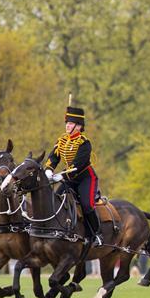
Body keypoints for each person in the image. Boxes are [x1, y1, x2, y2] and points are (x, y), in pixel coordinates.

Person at [46, 101, 101, 245]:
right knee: (55, 200)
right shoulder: (62, 141)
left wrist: (61, 175)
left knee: (87, 205)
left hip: (86, 178)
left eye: (70, 124)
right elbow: (54, 157)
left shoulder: (84, 143)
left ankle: (96, 234)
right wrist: (49, 170)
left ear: (79, 126)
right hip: (69, 179)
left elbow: (78, 165)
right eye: (67, 123)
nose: (67, 126)